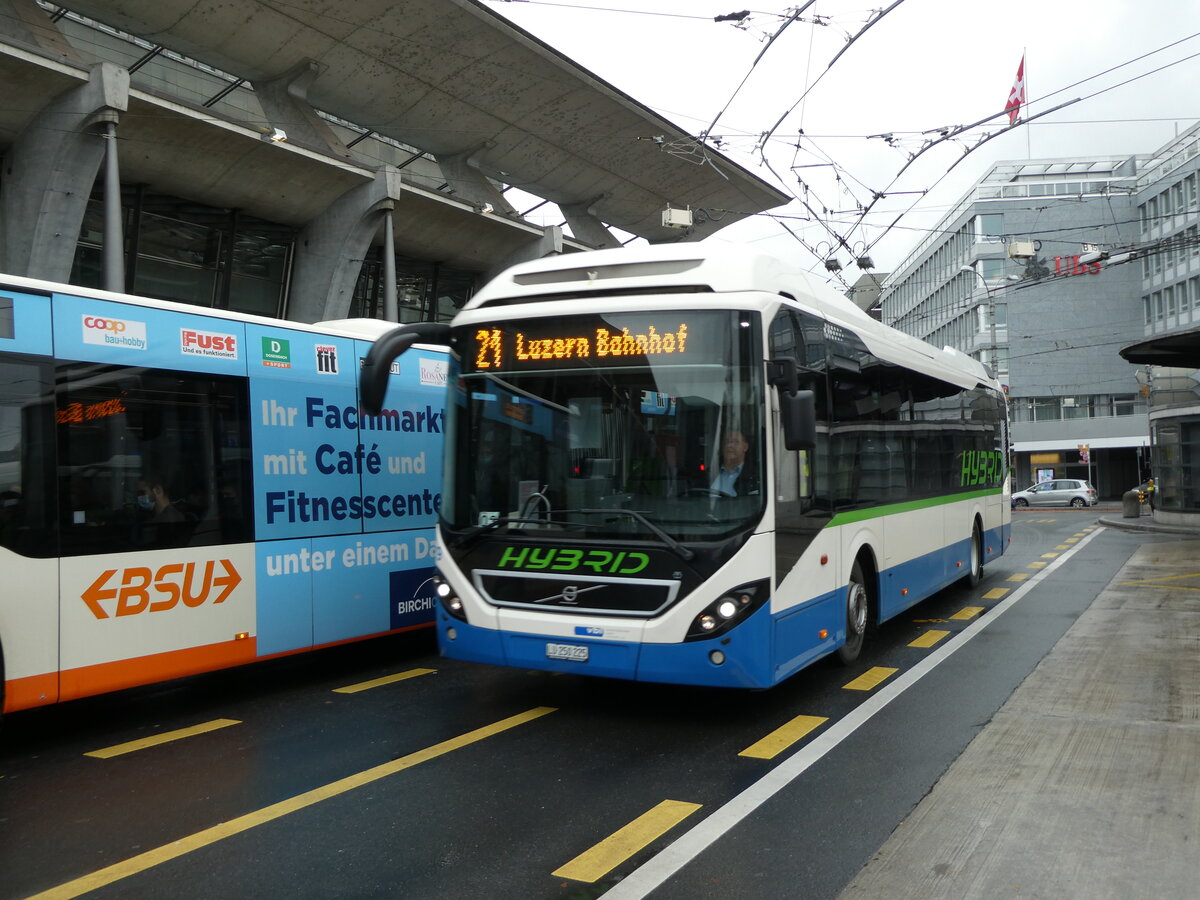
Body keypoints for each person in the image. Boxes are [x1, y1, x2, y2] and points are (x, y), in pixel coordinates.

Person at [711, 428, 759, 497]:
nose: (729, 446)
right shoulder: (710, 473)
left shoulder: (755, 476)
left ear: (745, 447)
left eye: (736, 442)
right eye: (727, 442)